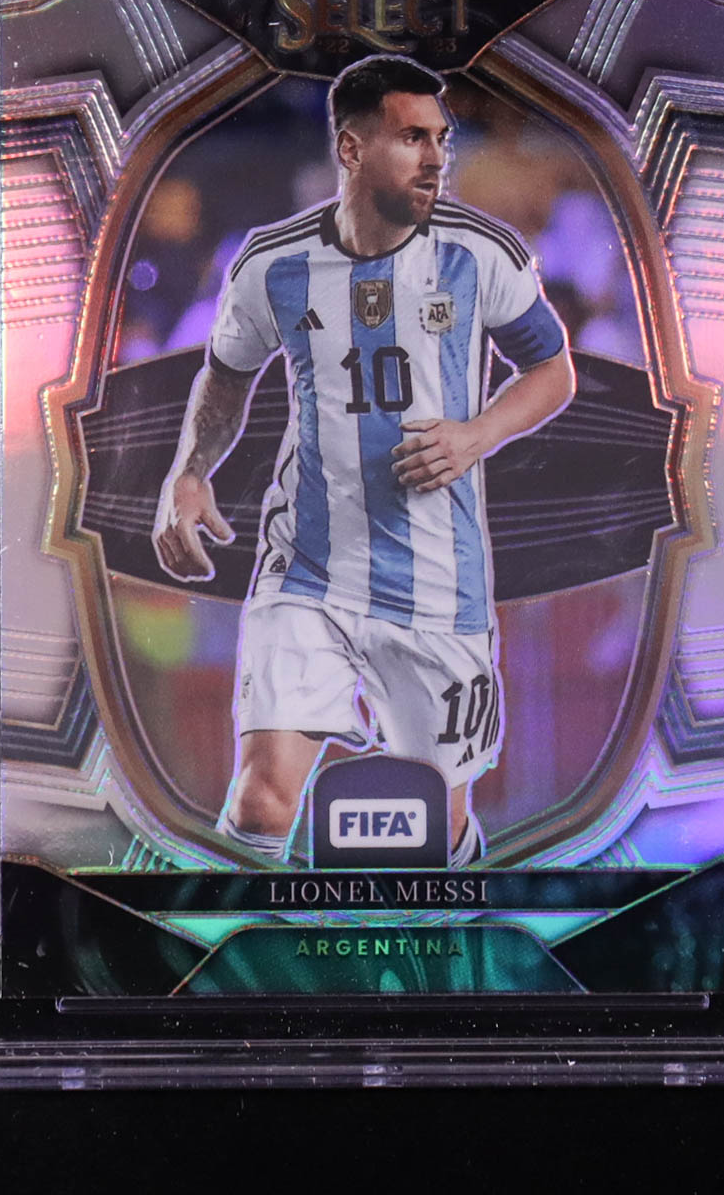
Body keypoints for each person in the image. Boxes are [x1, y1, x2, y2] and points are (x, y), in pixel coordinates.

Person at [153, 55, 574, 864]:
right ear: (350, 149)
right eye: (412, 138)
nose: (435, 157)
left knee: (432, 826)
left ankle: (442, 937)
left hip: (438, 586)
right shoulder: (271, 264)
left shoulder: (480, 252)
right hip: (307, 571)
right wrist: (191, 470)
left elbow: (552, 371)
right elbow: (226, 376)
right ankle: (251, 942)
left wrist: (477, 433)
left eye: (441, 138)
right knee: (262, 800)